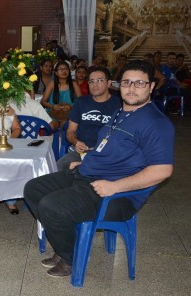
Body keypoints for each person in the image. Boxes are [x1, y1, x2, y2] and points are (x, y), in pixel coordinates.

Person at [24, 60, 175, 278]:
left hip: (116, 195)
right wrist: (86, 161)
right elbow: (108, 145)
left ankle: (70, 257)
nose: (131, 88)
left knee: (51, 206)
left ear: (151, 87)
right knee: (33, 189)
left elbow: (162, 170)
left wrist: (115, 186)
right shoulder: (121, 112)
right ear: (118, 85)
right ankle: (65, 241)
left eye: (139, 83)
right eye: (127, 82)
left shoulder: (155, 123)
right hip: (88, 175)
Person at [56, 67, 121, 171]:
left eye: (100, 80)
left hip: (107, 154)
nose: (95, 85)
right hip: (81, 152)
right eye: (91, 81)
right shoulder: (81, 102)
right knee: (59, 167)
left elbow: (122, 136)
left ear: (109, 83)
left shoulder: (119, 105)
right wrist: (75, 142)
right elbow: (70, 131)